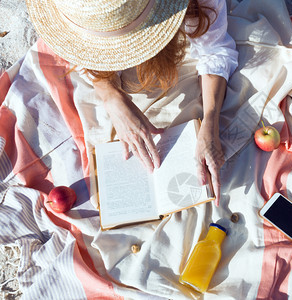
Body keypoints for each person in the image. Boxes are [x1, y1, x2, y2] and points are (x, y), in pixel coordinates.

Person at [26, 0, 239, 205]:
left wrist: (211, 119)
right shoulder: (72, 10)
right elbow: (82, 55)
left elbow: (215, 50)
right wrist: (111, 97)